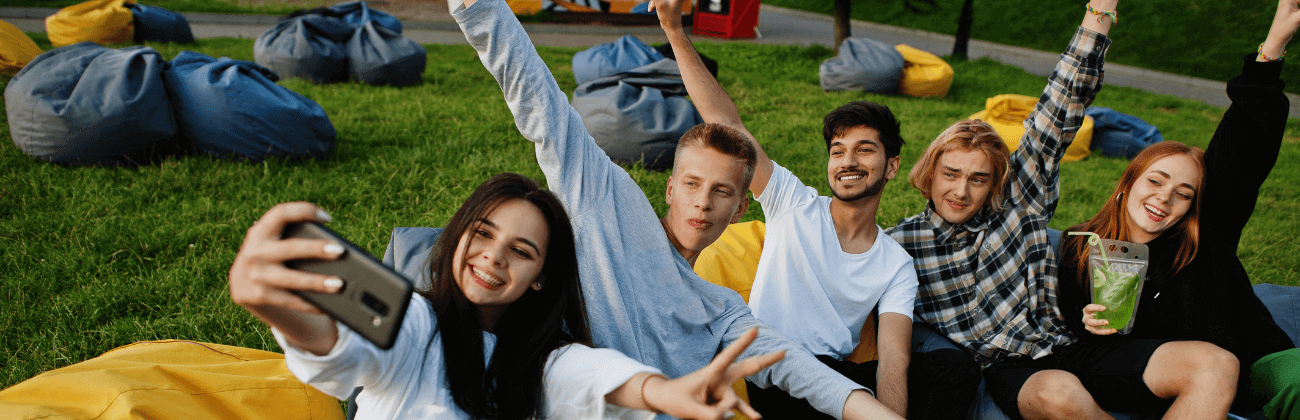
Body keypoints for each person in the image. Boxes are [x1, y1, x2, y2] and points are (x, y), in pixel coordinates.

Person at [451, 0, 898, 418]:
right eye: (691, 184)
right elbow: (540, 102)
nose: (702, 203)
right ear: (669, 188)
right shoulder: (608, 201)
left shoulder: (719, 309)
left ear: (741, 207)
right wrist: (478, 7)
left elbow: (800, 369)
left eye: (721, 192)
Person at [888, 1, 1241, 419]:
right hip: (1012, 370)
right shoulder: (899, 246)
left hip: (1073, 345)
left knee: (1217, 364)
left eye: (978, 178)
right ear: (929, 174)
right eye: (951, 174)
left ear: (994, 184)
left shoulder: (1018, 201)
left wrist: (1100, 12)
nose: (961, 191)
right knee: (1060, 392)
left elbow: (1057, 111)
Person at [646, 0, 980, 418]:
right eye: (838, 151)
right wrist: (675, 29)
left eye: (864, 150)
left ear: (891, 166)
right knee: (814, 376)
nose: (848, 162)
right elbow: (725, 121)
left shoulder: (895, 263)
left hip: (836, 376)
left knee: (956, 368)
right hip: (774, 371)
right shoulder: (793, 203)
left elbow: (895, 358)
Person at [227, 173, 785, 420]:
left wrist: (664, 392)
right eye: (484, 234)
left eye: (522, 251)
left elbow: (591, 377)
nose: (494, 257)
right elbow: (344, 351)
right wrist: (274, 305)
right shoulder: (418, 322)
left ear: (542, 275)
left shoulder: (543, 362)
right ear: (459, 233)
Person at [1059, 1, 1300, 418]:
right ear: (1126, 184)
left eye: (1183, 193)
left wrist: (1272, 49)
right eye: (1155, 181)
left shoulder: (1205, 234)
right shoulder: (1083, 245)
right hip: (1168, 371)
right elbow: (1080, 345)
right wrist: (1090, 324)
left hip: (1251, 360)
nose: (1164, 198)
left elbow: (1242, 152)